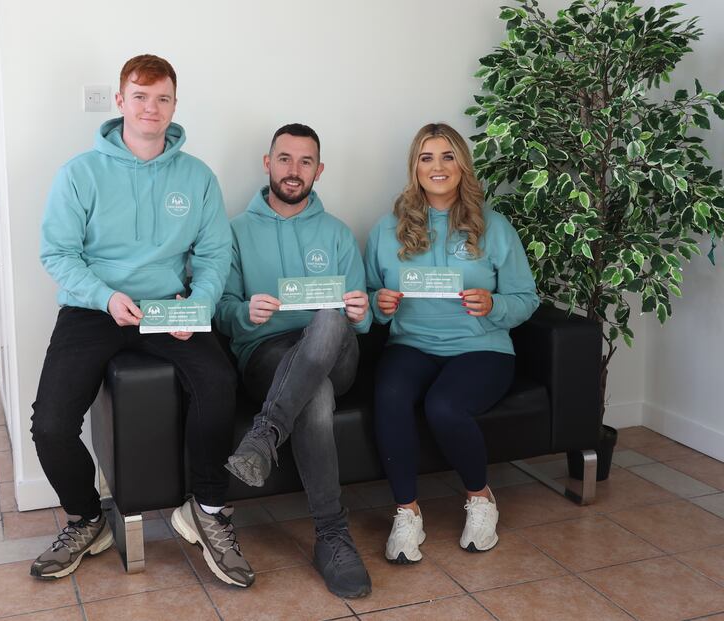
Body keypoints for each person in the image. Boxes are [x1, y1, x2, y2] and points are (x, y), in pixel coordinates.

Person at [30, 54, 254, 588]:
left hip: (169, 305)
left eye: (162, 98)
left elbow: (215, 253)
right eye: (139, 95)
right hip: (94, 308)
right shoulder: (80, 173)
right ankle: (87, 519)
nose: (150, 108)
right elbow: (58, 254)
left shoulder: (197, 177)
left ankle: (208, 509)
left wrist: (197, 306)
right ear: (120, 101)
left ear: (174, 104)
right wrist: (106, 297)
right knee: (51, 424)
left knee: (219, 383)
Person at [364, 123, 539, 563]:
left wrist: (493, 305)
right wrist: (379, 303)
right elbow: (365, 299)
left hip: (481, 347)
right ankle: (406, 513)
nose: (437, 167)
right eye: (426, 157)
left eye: (447, 156)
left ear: (462, 164)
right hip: (413, 344)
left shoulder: (494, 227)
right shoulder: (387, 229)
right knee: (389, 396)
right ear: (414, 168)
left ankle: (480, 499)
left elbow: (527, 298)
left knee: (443, 406)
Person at [216, 124, 373, 598]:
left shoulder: (338, 232)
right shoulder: (234, 232)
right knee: (315, 394)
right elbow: (219, 309)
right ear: (267, 163)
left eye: (305, 162)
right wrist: (244, 312)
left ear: (319, 170)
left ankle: (264, 435)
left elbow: (359, 316)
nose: (293, 170)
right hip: (267, 356)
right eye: (284, 159)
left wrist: (360, 313)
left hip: (337, 350)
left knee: (329, 317)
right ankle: (331, 534)